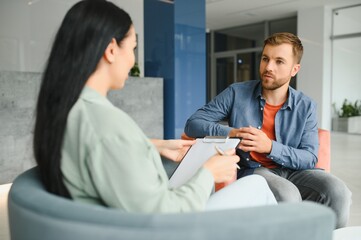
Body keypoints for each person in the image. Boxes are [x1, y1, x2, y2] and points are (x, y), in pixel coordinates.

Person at [33, 0, 276, 213]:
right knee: (257, 186)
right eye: (133, 48)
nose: (133, 60)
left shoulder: (69, 110)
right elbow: (161, 213)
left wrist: (152, 145)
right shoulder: (105, 123)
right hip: (162, 226)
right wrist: (208, 173)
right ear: (110, 50)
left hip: (120, 218)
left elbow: (102, 148)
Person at [185, 32, 352, 228]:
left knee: (339, 192)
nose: (268, 67)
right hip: (255, 169)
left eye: (279, 61)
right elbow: (193, 124)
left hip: (295, 171)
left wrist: (270, 147)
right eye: (265, 59)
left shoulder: (306, 106)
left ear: (294, 69)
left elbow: (309, 157)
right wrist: (232, 133)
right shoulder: (236, 93)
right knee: (287, 194)